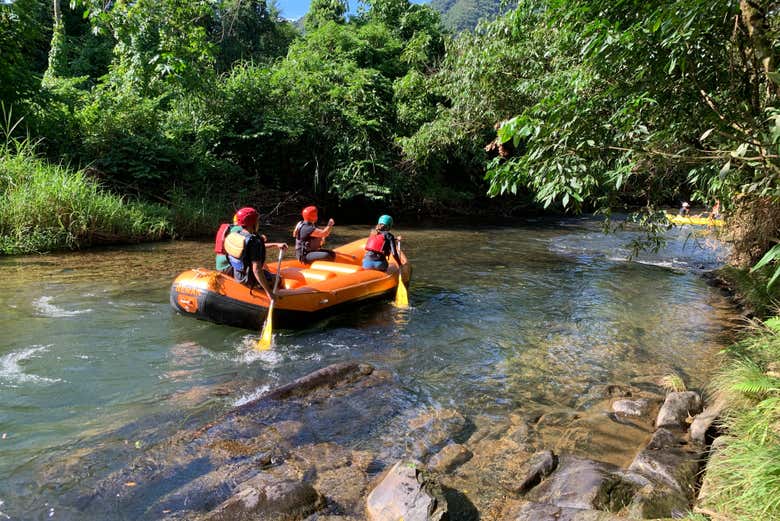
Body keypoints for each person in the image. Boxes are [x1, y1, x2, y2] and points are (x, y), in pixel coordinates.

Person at [224, 207, 287, 297]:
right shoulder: (254, 241)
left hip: (238, 275)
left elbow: (248, 251)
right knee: (279, 279)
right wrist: (269, 293)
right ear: (253, 223)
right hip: (248, 279)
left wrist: (275, 245)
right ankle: (270, 293)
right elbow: (256, 270)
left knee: (266, 273)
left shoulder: (238, 234)